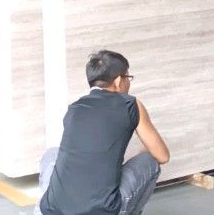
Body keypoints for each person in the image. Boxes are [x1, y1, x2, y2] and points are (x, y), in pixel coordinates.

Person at [36, 50, 169, 215]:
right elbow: (162, 156)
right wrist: (145, 150)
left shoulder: (74, 108)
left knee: (51, 153)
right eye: (128, 78)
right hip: (103, 210)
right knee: (149, 159)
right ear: (119, 81)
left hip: (52, 210)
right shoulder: (130, 105)